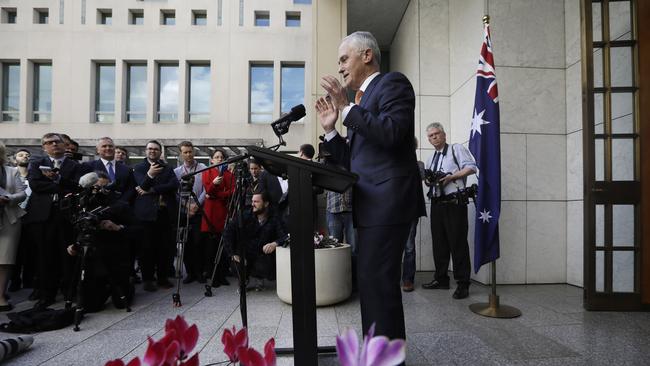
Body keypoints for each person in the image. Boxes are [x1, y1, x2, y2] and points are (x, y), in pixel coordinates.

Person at [315, 31, 425, 341]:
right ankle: (379, 354)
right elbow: (353, 161)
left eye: (343, 59)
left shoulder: (393, 84)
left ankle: (385, 358)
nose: (340, 67)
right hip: (370, 204)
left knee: (378, 282)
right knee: (371, 282)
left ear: (367, 55)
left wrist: (347, 109)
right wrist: (332, 130)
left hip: (389, 201)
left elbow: (391, 133)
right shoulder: (359, 104)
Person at [24, 133, 82, 309]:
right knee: (44, 256)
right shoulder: (35, 164)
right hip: (43, 216)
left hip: (67, 215)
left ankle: (68, 292)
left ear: (64, 145)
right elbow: (35, 185)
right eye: (49, 143)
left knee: (67, 255)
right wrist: (61, 185)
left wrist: (57, 180)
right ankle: (46, 294)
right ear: (44, 147)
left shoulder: (75, 165)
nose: (54, 145)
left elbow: (77, 186)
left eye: (57, 142)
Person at [421, 122, 477, 299]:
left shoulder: (456, 149)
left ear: (444, 134)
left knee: (458, 243)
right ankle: (441, 279)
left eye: (437, 134)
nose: (434, 137)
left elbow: (471, 167)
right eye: (430, 136)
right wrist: (430, 181)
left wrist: (451, 177)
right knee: (439, 243)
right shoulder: (430, 158)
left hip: (454, 202)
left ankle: (463, 283)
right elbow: (428, 180)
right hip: (437, 203)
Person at [65, 171, 135, 311]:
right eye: (95, 187)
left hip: (115, 254)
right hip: (92, 255)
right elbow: (77, 228)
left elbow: (136, 229)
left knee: (121, 303)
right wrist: (74, 245)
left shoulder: (119, 205)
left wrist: (117, 227)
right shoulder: (82, 204)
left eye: (104, 187)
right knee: (90, 306)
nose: (99, 191)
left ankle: (127, 283)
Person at [132, 140, 178, 292]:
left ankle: (163, 278)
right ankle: (148, 279)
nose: (152, 151)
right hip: (146, 215)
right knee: (147, 249)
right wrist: (150, 175)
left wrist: (153, 190)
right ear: (146, 151)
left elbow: (174, 185)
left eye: (156, 149)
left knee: (164, 248)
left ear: (160, 152)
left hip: (164, 213)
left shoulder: (167, 168)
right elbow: (141, 187)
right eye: (150, 149)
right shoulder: (138, 168)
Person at [223, 191, 287, 291]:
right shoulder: (244, 215)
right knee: (237, 265)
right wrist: (232, 254)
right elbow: (228, 233)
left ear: (266, 203)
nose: (253, 204)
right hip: (244, 252)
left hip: (262, 254)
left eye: (256, 202)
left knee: (264, 265)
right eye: (252, 201)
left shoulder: (275, 217)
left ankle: (259, 278)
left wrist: (275, 244)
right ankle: (243, 280)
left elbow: (285, 236)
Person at [173, 141, 207, 284]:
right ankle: (190, 272)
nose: (188, 155)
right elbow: (175, 192)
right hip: (184, 212)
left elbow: (207, 189)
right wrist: (187, 205)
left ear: (194, 152)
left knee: (199, 242)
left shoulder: (203, 168)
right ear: (181, 154)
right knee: (186, 243)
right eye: (185, 152)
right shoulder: (177, 172)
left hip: (199, 210)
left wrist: (196, 205)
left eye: (190, 151)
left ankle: (200, 272)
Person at [201, 148, 235, 286]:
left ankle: (222, 275)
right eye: (217, 157)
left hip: (223, 210)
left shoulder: (229, 174)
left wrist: (217, 194)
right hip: (211, 212)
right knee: (211, 247)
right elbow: (208, 190)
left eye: (221, 157)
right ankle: (212, 276)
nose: (219, 159)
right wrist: (215, 186)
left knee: (223, 245)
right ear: (212, 160)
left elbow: (233, 191)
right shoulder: (206, 172)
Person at [0, 142, 27, 311]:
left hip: (10, 219)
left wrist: (8, 198)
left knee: (5, 260)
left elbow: (22, 193)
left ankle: (1, 295)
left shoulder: (12, 171)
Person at [402, 138, 426, 293]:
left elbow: (421, 177)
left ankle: (408, 279)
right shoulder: (393, 162)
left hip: (411, 211)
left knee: (409, 246)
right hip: (392, 212)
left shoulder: (419, 165)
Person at [8, 149, 34, 293]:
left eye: (27, 155)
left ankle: (28, 279)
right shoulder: (9, 174)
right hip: (13, 215)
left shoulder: (34, 175)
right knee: (14, 249)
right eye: (21, 155)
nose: (25, 156)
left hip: (31, 215)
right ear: (14, 159)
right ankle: (14, 279)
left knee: (30, 248)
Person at [80, 137, 135, 203]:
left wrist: (122, 202)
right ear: (97, 150)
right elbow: (83, 187)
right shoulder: (88, 166)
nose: (108, 148)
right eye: (104, 146)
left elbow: (130, 189)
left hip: (121, 208)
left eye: (110, 146)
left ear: (114, 149)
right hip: (96, 208)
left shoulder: (127, 169)